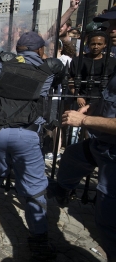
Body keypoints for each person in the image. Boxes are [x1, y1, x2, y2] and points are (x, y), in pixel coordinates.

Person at [0, 32, 64, 259]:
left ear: (18, 48)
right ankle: (39, 240)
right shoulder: (47, 70)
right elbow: (60, 80)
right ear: (41, 50)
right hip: (27, 134)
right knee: (34, 187)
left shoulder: (3, 65)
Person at [52, 76, 116, 262]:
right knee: (72, 157)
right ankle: (63, 191)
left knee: (107, 220)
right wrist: (93, 108)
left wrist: (85, 120)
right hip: (103, 144)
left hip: (113, 156)